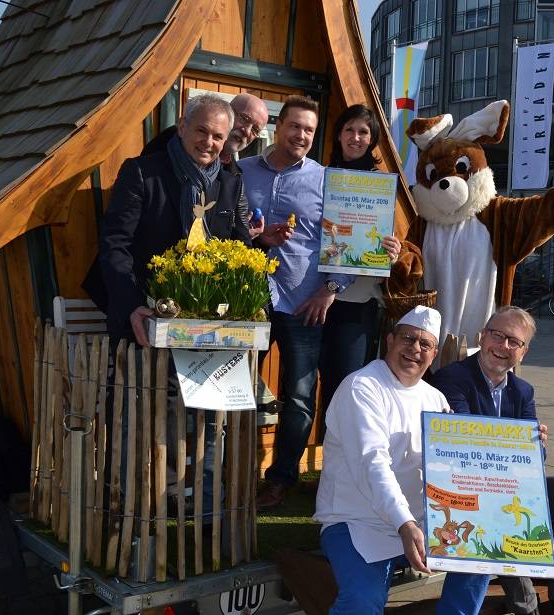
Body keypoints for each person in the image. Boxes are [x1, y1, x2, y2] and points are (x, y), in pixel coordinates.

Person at [314, 306, 489, 615]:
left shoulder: (434, 398)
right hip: (357, 522)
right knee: (362, 601)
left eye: (425, 344)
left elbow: (449, 467)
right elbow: (372, 463)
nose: (415, 348)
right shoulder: (362, 387)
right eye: (408, 338)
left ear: (434, 355)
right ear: (390, 340)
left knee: (484, 555)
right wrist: (405, 524)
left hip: (420, 524)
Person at [240, 95, 361, 509]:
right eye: (295, 126)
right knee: (234, 391)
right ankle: (231, 472)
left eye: (309, 129)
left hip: (302, 303)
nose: (302, 135)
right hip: (247, 303)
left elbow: (346, 240)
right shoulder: (241, 171)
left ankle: (280, 481)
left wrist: (331, 289)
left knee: (299, 397)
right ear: (278, 127)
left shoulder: (326, 180)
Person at [429, 306, 554, 615]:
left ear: (523, 352)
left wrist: (535, 444)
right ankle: (526, 607)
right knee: (497, 501)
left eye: (514, 341)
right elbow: (465, 443)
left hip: (509, 484)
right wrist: (513, 446)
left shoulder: (523, 390)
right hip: (462, 489)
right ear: (482, 336)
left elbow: (533, 461)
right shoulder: (452, 378)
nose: (503, 346)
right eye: (497, 335)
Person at [98, 93, 251, 344]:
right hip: (145, 318)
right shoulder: (141, 173)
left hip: (207, 326)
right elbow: (115, 244)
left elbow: (242, 249)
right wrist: (133, 305)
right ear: (182, 127)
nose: (208, 142)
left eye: (218, 136)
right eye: (201, 131)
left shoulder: (231, 185)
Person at [320, 103, 402, 421]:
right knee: (308, 384)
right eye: (349, 130)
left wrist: (392, 250)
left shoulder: (380, 186)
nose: (356, 137)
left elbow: (385, 241)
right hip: (314, 297)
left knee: (347, 386)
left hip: (357, 301)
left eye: (363, 132)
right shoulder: (321, 177)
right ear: (338, 135)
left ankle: (339, 449)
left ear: (372, 139)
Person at [141, 92, 270, 241]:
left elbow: (236, 236)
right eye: (244, 119)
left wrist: (256, 239)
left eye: (255, 130)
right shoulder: (170, 142)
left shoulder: (234, 177)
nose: (246, 131)